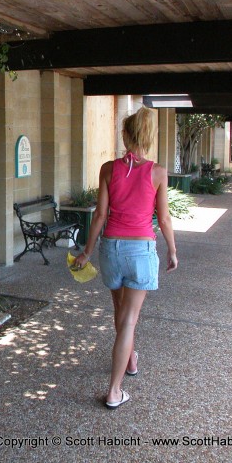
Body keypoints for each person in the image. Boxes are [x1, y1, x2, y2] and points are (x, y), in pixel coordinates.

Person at [73, 106, 178, 409]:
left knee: (120, 312)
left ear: (125, 135)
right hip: (140, 251)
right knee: (129, 320)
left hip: (111, 249)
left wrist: (87, 252)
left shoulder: (109, 168)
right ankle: (115, 390)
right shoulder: (157, 172)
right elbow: (165, 218)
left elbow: (100, 215)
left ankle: (130, 359)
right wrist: (172, 250)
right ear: (148, 137)